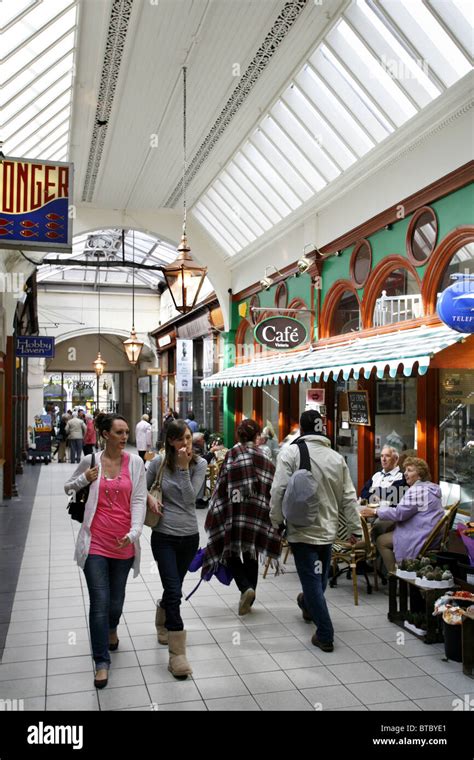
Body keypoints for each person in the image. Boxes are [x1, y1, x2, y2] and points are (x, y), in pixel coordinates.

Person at [64, 413, 147, 689]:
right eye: (119, 432)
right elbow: (68, 487)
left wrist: (134, 533)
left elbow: (138, 501)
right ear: (105, 435)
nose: (125, 437)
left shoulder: (135, 463)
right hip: (96, 542)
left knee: (116, 602)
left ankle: (112, 627)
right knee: (99, 601)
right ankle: (101, 662)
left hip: (123, 543)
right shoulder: (91, 462)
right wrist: (83, 480)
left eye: (126, 432)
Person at [270, 410, 361, 653]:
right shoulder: (336, 458)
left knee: (313, 582)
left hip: (301, 530)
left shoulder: (290, 452)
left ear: (301, 428)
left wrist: (276, 521)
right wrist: (355, 529)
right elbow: (349, 497)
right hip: (327, 530)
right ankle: (309, 605)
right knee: (317, 579)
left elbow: (278, 490)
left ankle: (325, 633)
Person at [146, 419, 207, 678]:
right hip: (164, 536)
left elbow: (190, 498)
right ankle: (177, 656)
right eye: (182, 439)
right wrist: (150, 498)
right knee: (174, 590)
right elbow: (142, 490)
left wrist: (183, 469)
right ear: (171, 441)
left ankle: (162, 615)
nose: (187, 444)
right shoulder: (158, 463)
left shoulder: (200, 464)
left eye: (189, 439)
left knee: (174, 588)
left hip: (189, 537)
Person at [202, 419, 281, 617]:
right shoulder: (263, 457)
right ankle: (250, 592)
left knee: (231, 552)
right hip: (257, 514)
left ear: (238, 435)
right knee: (251, 551)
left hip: (235, 514)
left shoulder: (232, 455)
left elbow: (221, 486)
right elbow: (273, 486)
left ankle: (246, 588)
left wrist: (216, 509)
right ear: (256, 436)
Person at [360, 457, 444, 575]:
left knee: (381, 540)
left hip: (420, 536)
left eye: (409, 470)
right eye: (405, 470)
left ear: (419, 475)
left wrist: (375, 512)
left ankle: (396, 577)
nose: (405, 473)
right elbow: (408, 512)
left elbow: (399, 514)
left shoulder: (418, 491)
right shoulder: (429, 488)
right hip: (428, 532)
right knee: (387, 528)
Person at [360, 446, 408, 542]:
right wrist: (380, 493)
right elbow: (364, 493)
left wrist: (373, 490)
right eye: (382, 456)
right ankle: (361, 552)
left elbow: (391, 495)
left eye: (387, 456)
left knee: (378, 526)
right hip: (368, 511)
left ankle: (373, 553)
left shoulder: (401, 477)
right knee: (353, 520)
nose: (383, 459)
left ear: (396, 459)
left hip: (386, 515)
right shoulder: (376, 475)